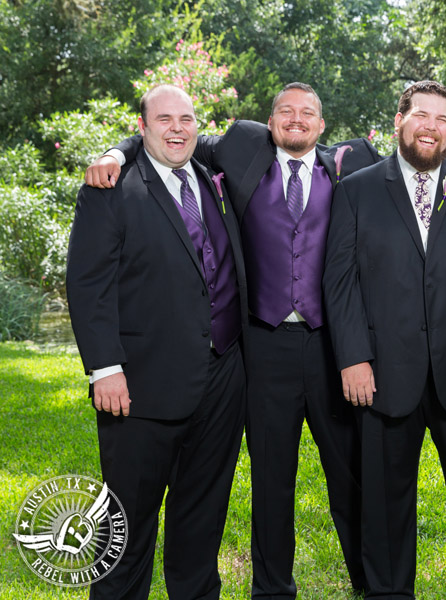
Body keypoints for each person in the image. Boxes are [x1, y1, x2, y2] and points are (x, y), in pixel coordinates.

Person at [84, 82, 381, 597]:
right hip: (260, 349)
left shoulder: (353, 165)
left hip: (330, 349)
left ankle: (376, 585)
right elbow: (168, 137)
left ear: (323, 123)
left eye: (307, 112)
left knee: (352, 477)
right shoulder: (236, 150)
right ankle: (271, 590)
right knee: (270, 481)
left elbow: (427, 152)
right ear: (268, 122)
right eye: (284, 111)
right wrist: (115, 150)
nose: (295, 120)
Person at [322, 80, 446, 599]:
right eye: (422, 116)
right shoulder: (357, 189)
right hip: (383, 371)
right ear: (399, 121)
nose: (432, 127)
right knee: (383, 501)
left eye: (443, 118)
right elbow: (338, 283)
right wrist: (354, 359)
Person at [67, 84, 248, 599]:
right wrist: (105, 368)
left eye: (186, 119)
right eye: (163, 119)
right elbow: (88, 282)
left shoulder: (216, 179)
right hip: (140, 386)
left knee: (201, 519)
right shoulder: (113, 188)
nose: (176, 128)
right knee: (126, 527)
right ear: (141, 127)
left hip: (221, 381)